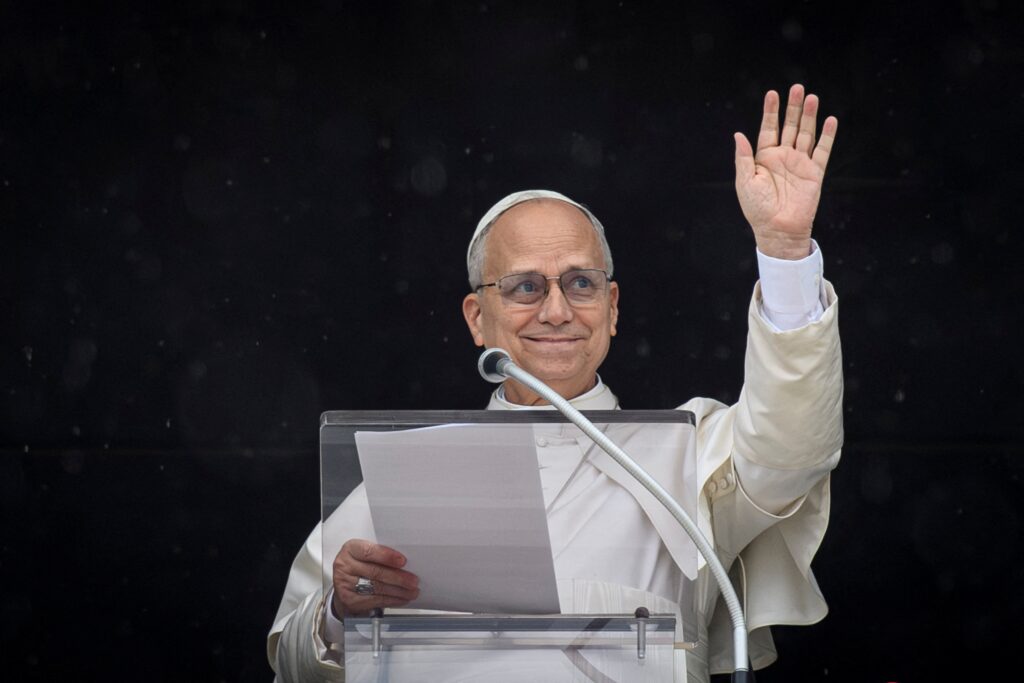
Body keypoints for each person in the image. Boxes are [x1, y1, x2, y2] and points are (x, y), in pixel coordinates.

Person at [268, 83, 842, 682]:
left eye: (581, 283)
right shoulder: (403, 476)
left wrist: (784, 252)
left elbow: (792, 450)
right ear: (475, 318)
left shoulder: (684, 456)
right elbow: (291, 664)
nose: (557, 310)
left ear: (613, 307)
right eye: (524, 287)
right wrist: (337, 612)